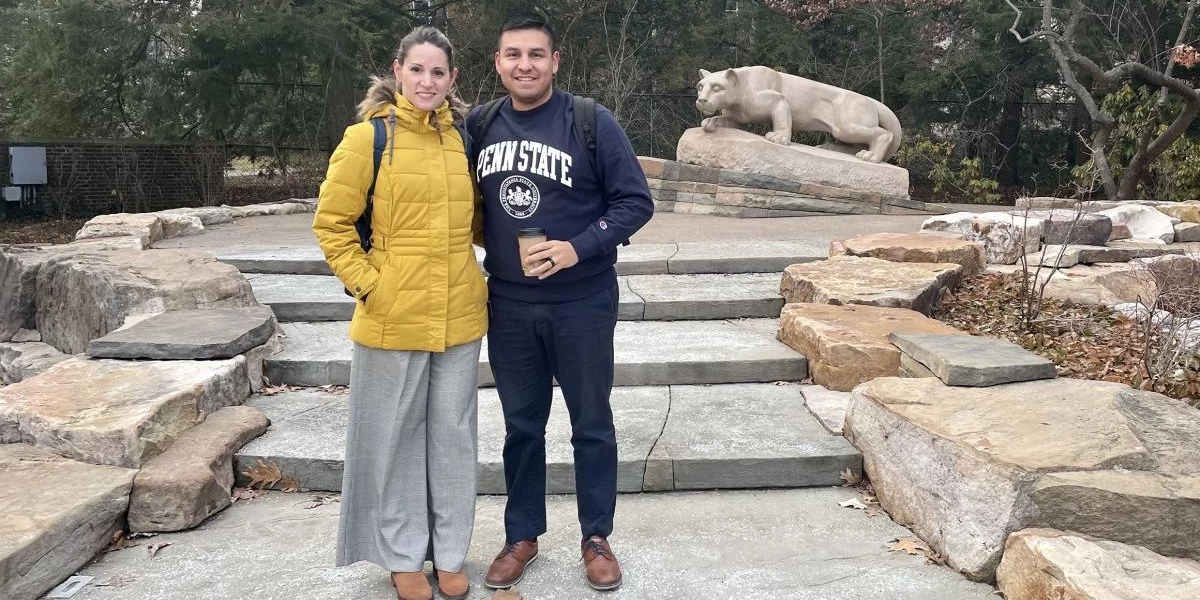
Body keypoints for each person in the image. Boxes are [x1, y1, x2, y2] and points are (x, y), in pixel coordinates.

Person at [467, 13, 654, 593]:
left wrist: (578, 247)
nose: (525, 65)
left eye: (536, 55)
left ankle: (596, 535)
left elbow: (635, 203)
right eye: (513, 55)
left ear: (555, 61)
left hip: (582, 300)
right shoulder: (480, 124)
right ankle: (522, 534)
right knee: (522, 425)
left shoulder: (591, 121)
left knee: (591, 423)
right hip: (510, 302)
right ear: (498, 63)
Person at [312, 26, 486, 600]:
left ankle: (451, 551)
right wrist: (370, 286)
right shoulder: (368, 139)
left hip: (459, 314)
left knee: (453, 440)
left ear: (452, 78)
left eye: (439, 72)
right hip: (392, 317)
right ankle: (403, 554)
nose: (428, 81)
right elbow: (332, 223)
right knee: (395, 441)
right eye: (417, 70)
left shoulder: (463, 140)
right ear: (398, 71)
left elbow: (479, 221)